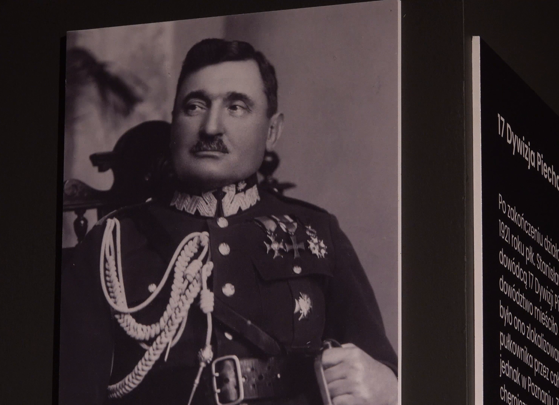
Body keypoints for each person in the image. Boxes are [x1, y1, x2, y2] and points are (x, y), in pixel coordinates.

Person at [59, 38, 397, 405]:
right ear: (174, 123)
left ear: (272, 131)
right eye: (194, 106)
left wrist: (388, 386)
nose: (211, 127)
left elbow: (381, 375)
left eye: (236, 107)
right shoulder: (111, 244)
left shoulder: (317, 231)